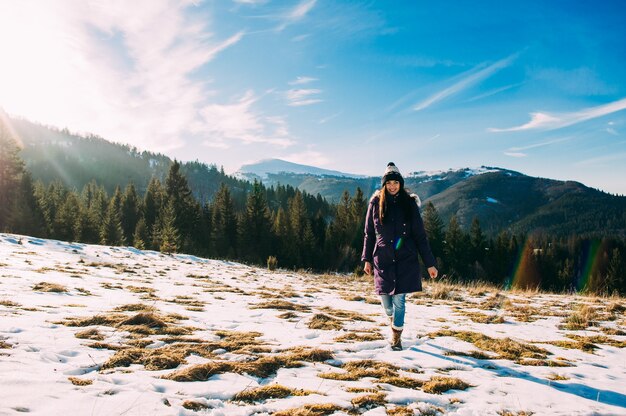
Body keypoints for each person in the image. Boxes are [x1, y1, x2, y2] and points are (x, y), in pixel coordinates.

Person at [361, 162, 438, 350]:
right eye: (389, 183)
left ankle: (396, 339)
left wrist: (430, 264)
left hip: (405, 258)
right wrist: (367, 259)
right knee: (386, 302)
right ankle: (393, 320)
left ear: (401, 184)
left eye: (396, 182)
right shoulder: (375, 204)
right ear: (384, 185)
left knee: (400, 301)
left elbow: (420, 235)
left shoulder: (409, 204)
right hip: (383, 259)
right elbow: (369, 233)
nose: (393, 186)